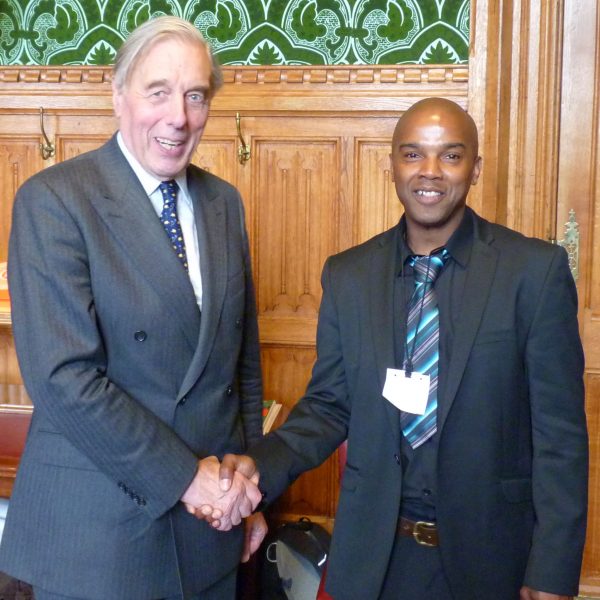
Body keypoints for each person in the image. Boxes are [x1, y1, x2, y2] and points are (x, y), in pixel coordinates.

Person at [213, 98, 589, 599]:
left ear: (475, 169)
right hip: (374, 562)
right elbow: (328, 407)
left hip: (492, 561)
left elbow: (560, 437)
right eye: (412, 155)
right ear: (391, 165)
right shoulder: (349, 276)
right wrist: (261, 464)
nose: (429, 172)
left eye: (450, 156)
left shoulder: (533, 274)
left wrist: (552, 570)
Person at [0, 16, 266, 600]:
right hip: (99, 539)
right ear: (118, 95)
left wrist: (247, 487)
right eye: (159, 92)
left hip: (209, 534)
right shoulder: (54, 200)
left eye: (196, 95)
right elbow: (64, 380)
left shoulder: (224, 202)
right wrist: (186, 479)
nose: (179, 116)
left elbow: (240, 364)